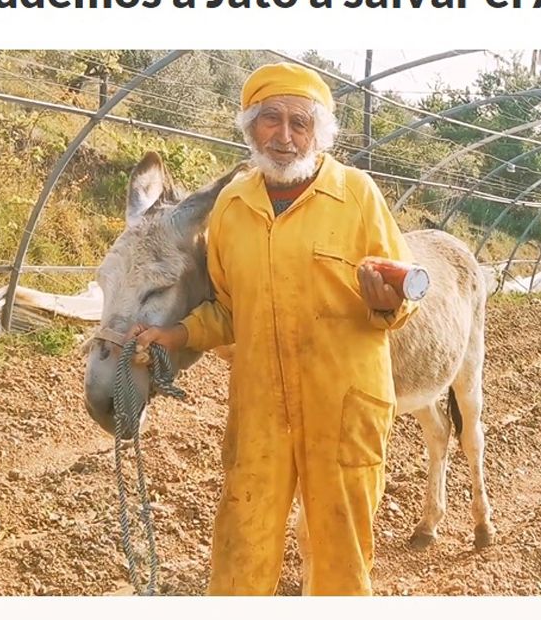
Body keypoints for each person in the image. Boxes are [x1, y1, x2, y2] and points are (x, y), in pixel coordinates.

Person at [129, 62, 420, 595]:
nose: (284, 137)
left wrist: (388, 304)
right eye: (270, 120)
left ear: (318, 134)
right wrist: (178, 334)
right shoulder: (232, 208)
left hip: (344, 405)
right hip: (260, 406)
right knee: (241, 545)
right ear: (249, 128)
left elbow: (403, 299)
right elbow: (229, 308)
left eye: (299, 123)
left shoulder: (357, 195)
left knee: (341, 556)